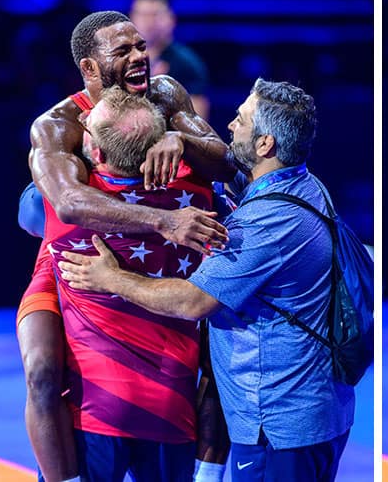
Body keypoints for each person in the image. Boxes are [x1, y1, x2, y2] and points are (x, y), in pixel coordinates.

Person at [58, 79, 355, 482]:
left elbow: (193, 301)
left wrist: (112, 278)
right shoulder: (303, 185)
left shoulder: (265, 225)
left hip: (280, 421)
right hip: (310, 409)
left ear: (265, 144)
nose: (230, 126)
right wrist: (179, 138)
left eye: (242, 120)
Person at [18, 10, 233, 482]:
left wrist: (179, 137)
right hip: (72, 252)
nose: (140, 58)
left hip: (148, 243)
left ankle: (205, 470)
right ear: (90, 69)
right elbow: (71, 204)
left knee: (223, 346)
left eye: (140, 46)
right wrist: (165, 221)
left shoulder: (166, 92)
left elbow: (225, 162)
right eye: (124, 52)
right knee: (41, 371)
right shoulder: (58, 126)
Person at [37, 86, 213, 480]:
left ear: (94, 153)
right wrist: (179, 138)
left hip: (95, 415)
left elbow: (30, 209)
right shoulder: (199, 203)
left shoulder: (56, 207)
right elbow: (224, 164)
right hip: (172, 413)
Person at [130, 0, 211, 120]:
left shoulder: (187, 64)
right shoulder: (122, 60)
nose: (148, 22)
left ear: (171, 19)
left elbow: (197, 120)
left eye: (155, 15)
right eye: (142, 14)